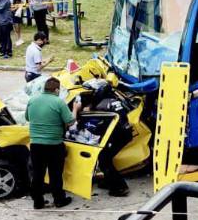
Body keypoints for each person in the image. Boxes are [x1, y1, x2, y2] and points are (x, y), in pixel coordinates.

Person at [27, 77, 78, 209]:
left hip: (36, 144)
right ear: (56, 89)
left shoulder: (32, 100)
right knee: (55, 174)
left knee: (38, 174)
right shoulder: (58, 102)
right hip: (54, 144)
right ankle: (59, 200)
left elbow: (27, 117)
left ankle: (38, 202)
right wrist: (76, 109)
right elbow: (70, 121)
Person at [87, 79, 132, 196]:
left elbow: (99, 126)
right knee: (106, 158)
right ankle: (108, 181)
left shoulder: (102, 106)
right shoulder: (114, 100)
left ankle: (120, 187)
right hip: (125, 132)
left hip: (118, 134)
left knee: (104, 159)